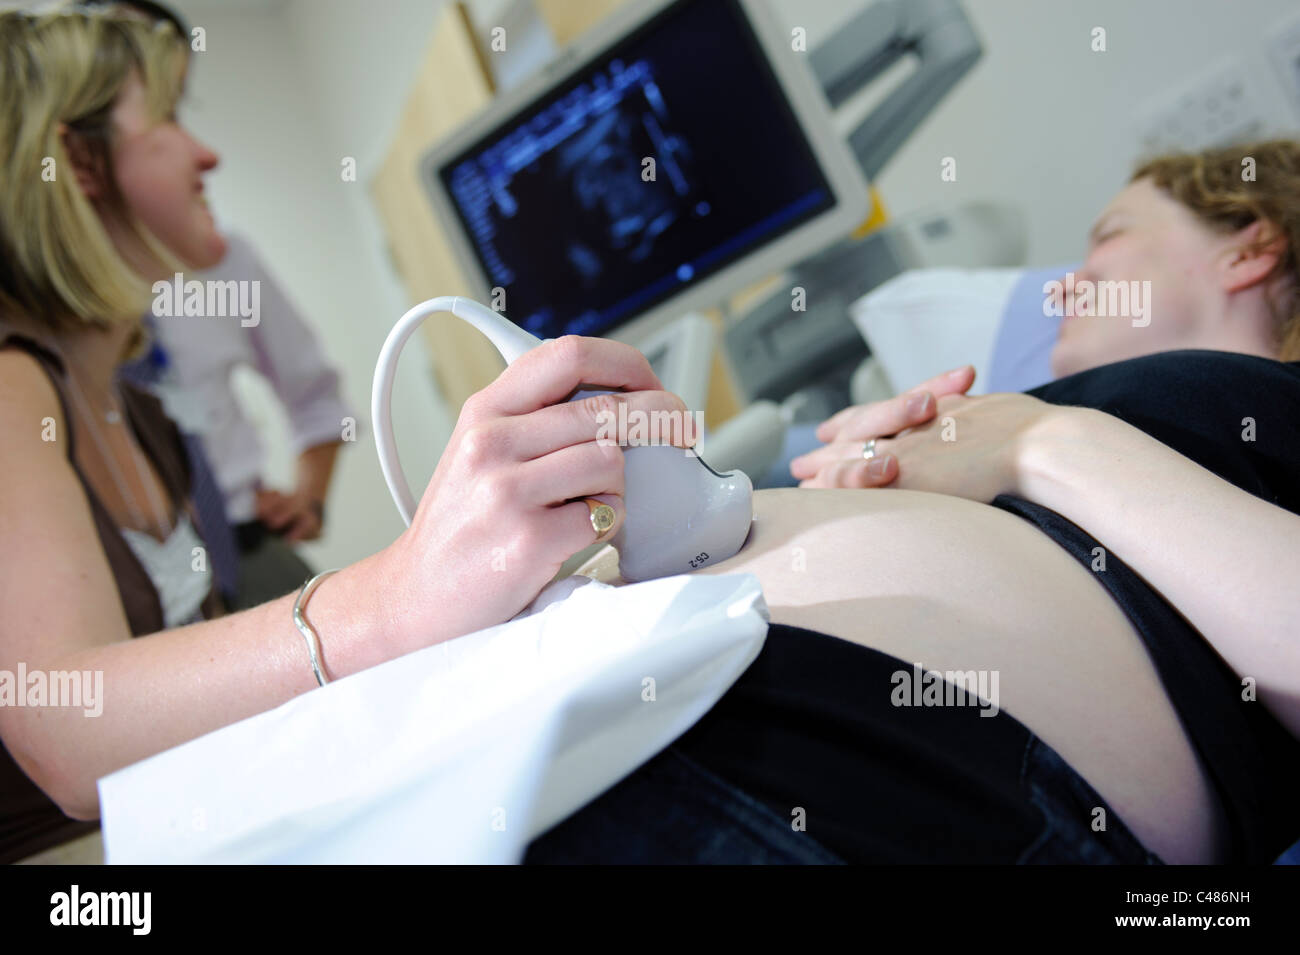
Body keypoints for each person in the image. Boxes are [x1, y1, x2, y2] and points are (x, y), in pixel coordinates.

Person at [1, 7, 1296, 866]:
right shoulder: (27, 384)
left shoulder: (1166, 416)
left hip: (804, 776)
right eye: (168, 114)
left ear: (1255, 246)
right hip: (650, 753)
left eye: (1108, 242)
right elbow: (54, 727)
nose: (1068, 280)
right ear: (77, 164)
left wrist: (1028, 447)